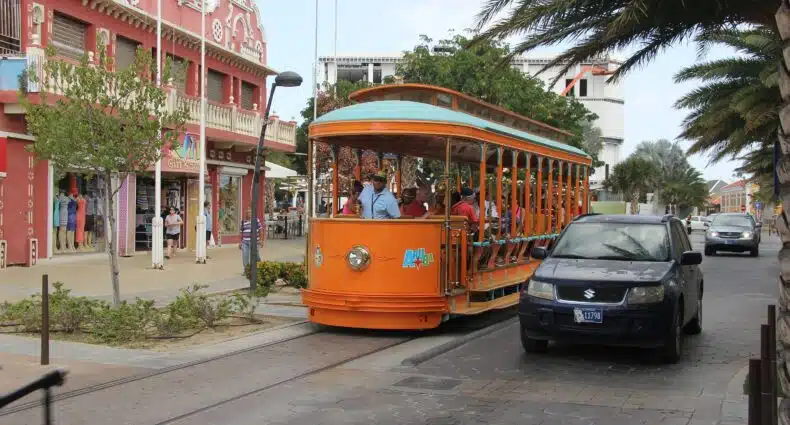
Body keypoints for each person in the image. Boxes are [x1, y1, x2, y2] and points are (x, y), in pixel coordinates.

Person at [240, 209, 263, 273]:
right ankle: (246, 270)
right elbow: (241, 232)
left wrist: (261, 240)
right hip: (245, 242)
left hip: (254, 241)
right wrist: (240, 242)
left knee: (256, 255)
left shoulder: (256, 220)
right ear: (246, 214)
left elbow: (260, 230)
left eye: (250, 212)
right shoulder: (243, 222)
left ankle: (260, 266)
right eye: (248, 212)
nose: (249, 214)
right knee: (245, 256)